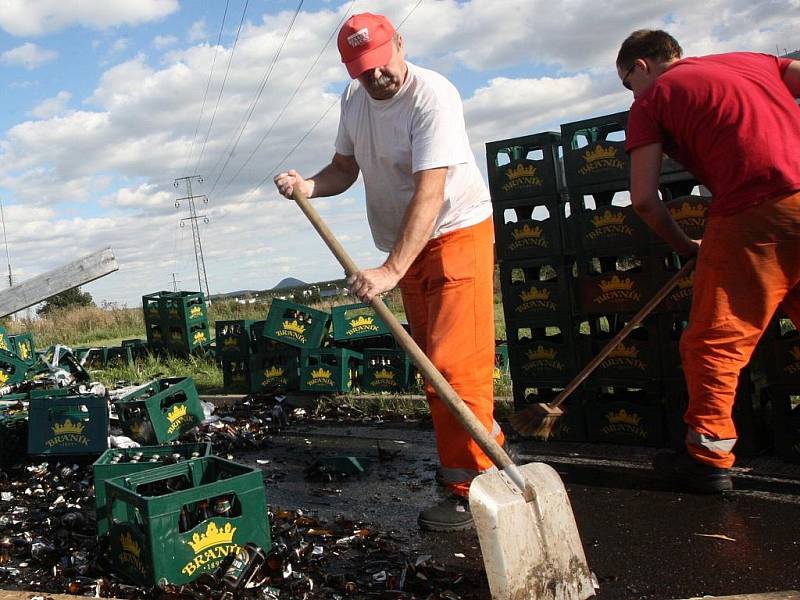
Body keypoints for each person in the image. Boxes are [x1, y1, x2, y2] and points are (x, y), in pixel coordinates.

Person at [274, 12, 507, 529]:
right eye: (362, 70)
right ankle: (475, 467)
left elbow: (431, 191)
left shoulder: (433, 96)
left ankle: (474, 489)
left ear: (399, 43)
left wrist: (389, 269)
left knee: (453, 368)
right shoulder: (354, 101)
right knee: (432, 367)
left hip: (456, 232)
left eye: (381, 64)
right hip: (408, 243)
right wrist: (307, 185)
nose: (376, 78)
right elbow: (344, 168)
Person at [617, 30, 800, 493]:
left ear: (642, 66)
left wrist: (684, 244)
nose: (631, 93)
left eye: (626, 83)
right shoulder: (753, 62)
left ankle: (708, 453)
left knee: (715, 340)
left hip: (754, 210)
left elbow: (643, 199)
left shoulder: (651, 99)